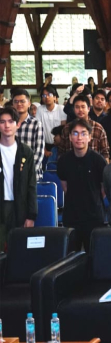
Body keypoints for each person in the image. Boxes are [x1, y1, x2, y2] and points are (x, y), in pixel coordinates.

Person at [57, 119, 106, 251]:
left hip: (94, 217)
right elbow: (65, 188)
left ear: (90, 137)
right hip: (71, 217)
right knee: (71, 260)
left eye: (83, 133)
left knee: (95, 258)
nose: (79, 137)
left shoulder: (98, 161)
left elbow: (103, 190)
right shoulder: (63, 161)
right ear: (69, 137)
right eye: (75, 133)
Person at [0, 106, 37, 248]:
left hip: (20, 208)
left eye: (10, 121)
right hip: (1, 207)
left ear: (18, 124)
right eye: (2, 122)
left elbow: (31, 185)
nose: (7, 125)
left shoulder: (25, 151)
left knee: (19, 250)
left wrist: (31, 215)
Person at [11, 89, 45, 180]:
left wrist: (27, 172)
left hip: (31, 175)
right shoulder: (8, 124)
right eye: (16, 102)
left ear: (29, 103)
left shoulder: (36, 124)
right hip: (11, 175)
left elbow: (39, 152)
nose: (19, 104)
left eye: (22, 101)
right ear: (12, 104)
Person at [36, 85, 66, 157]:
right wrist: (44, 149)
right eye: (44, 95)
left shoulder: (61, 108)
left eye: (49, 94)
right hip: (45, 144)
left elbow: (64, 127)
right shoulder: (40, 109)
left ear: (55, 97)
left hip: (60, 144)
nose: (47, 97)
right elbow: (38, 130)